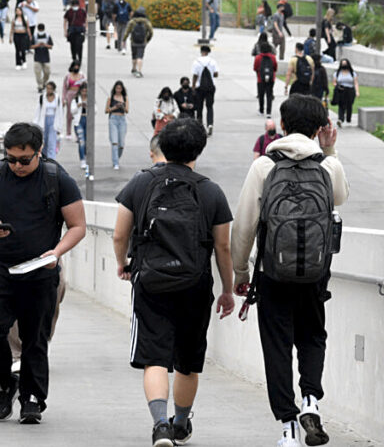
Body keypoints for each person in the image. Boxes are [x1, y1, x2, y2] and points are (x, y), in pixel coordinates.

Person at [230, 95, 349, 447]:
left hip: (272, 274)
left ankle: (287, 427)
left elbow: (244, 226)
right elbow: (340, 197)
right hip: (315, 275)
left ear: (282, 125)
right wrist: (330, 152)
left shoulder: (265, 167)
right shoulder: (328, 167)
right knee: (312, 336)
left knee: (277, 347)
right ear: (319, 129)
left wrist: (240, 273)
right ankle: (311, 400)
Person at [111, 118, 235, 447]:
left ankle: (160, 425)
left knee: (154, 358)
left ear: (162, 146)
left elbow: (120, 233)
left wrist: (123, 262)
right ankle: (180, 423)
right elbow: (223, 246)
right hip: (195, 284)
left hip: (151, 281)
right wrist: (227, 289)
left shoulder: (141, 183)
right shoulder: (210, 191)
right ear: (199, 149)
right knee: (188, 360)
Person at [0, 123, 86, 424]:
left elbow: (78, 225)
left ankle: (33, 398)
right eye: (11, 159)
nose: (16, 165)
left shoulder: (58, 179)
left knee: (35, 336)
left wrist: (56, 253)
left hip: (39, 270)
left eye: (24, 160)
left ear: (39, 152)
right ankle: (4, 382)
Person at [191, 46, 220, 136]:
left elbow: (195, 75)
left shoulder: (196, 62)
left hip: (200, 88)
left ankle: (199, 125)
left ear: (201, 51)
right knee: (209, 106)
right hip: (210, 88)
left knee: (199, 107)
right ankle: (210, 124)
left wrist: (193, 86)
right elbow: (216, 74)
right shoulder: (213, 61)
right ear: (208, 52)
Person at [34, 81, 66, 160]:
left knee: (52, 142)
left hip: (53, 122)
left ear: (54, 89)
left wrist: (59, 127)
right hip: (43, 121)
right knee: (43, 142)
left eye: (50, 89)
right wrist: (36, 124)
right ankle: (43, 158)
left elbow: (60, 113)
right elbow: (37, 111)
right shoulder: (42, 97)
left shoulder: (57, 98)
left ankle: (51, 160)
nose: (49, 91)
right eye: (47, 88)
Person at [123, 7, 154, 78]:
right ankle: (139, 71)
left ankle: (134, 68)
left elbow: (127, 32)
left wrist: (124, 39)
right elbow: (151, 32)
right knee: (140, 56)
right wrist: (147, 39)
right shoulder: (146, 22)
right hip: (142, 42)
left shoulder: (132, 21)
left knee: (134, 55)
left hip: (133, 41)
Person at [106, 81, 130, 170]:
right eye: (117, 88)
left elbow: (127, 110)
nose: (118, 90)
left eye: (120, 88)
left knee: (121, 144)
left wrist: (122, 106)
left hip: (122, 120)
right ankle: (115, 162)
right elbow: (106, 110)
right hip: (113, 119)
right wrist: (114, 107)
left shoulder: (125, 97)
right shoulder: (111, 98)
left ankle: (117, 157)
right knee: (114, 142)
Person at [252, 42, 279, 117]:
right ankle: (268, 112)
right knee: (269, 95)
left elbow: (255, 68)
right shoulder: (273, 57)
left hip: (260, 79)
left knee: (261, 95)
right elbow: (275, 67)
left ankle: (261, 110)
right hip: (271, 79)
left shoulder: (258, 57)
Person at [332, 58, 359, 128]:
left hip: (350, 90)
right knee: (341, 105)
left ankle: (348, 118)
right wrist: (337, 86)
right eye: (343, 64)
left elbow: (355, 83)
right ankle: (340, 119)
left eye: (345, 64)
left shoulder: (352, 73)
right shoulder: (337, 73)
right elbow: (334, 82)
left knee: (349, 105)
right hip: (341, 90)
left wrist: (357, 91)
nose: (344, 65)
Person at [62, 61, 86, 140]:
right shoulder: (68, 76)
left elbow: (85, 86)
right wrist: (63, 99)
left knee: (78, 114)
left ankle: (77, 132)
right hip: (70, 95)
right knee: (69, 114)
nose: (76, 67)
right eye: (75, 66)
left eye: (78, 66)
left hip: (78, 95)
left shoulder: (82, 76)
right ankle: (68, 132)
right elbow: (64, 88)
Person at [29, 23, 54, 91]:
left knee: (47, 72)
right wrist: (38, 45)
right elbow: (30, 46)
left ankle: (44, 82)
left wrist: (45, 45)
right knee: (37, 73)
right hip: (37, 57)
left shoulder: (47, 36)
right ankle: (40, 85)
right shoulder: (35, 36)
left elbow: (51, 46)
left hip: (46, 57)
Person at [71, 83, 89, 172]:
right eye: (83, 91)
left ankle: (85, 156)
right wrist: (79, 105)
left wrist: (87, 106)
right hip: (79, 121)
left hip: (87, 120)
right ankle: (82, 160)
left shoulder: (90, 99)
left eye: (86, 91)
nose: (84, 93)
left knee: (87, 141)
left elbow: (95, 110)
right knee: (81, 140)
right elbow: (72, 111)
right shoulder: (76, 99)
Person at [63, 0, 87, 64]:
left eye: (76, 5)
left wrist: (86, 28)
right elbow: (65, 21)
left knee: (79, 45)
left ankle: (80, 58)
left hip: (80, 30)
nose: (75, 6)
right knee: (72, 44)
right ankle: (74, 57)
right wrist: (65, 31)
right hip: (72, 30)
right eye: (74, 5)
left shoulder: (82, 11)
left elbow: (86, 19)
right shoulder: (69, 12)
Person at [12, 2, 31, 70]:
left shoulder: (25, 18)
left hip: (23, 35)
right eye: (16, 11)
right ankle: (18, 63)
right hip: (16, 34)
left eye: (19, 11)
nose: (18, 12)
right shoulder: (14, 19)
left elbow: (28, 27)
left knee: (23, 49)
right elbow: (12, 28)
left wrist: (29, 35)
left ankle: (24, 61)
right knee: (17, 49)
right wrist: (11, 37)